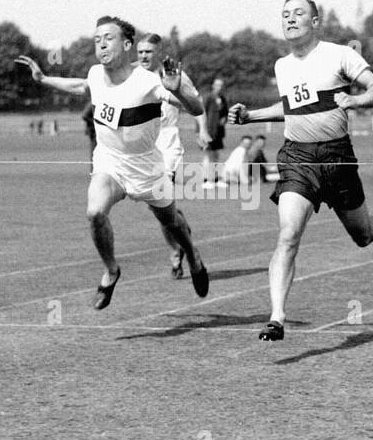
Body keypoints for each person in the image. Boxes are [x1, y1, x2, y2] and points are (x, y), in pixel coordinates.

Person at [227, 0, 373, 341]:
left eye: (298, 14)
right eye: (285, 14)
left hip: (337, 158)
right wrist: (251, 116)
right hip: (298, 158)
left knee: (362, 235)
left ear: (315, 21)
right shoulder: (282, 65)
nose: (290, 19)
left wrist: (356, 100)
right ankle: (276, 317)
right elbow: (292, 107)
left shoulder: (340, 54)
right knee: (288, 234)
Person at [15, 17, 209, 309]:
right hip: (110, 161)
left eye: (108, 37)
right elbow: (81, 85)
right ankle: (111, 270)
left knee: (171, 222)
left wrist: (178, 88)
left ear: (127, 44)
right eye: (96, 39)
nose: (101, 44)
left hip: (147, 167)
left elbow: (197, 108)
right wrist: (43, 79)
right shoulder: (95, 74)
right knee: (95, 212)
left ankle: (192, 254)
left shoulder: (148, 81)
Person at [135, 33, 209, 278]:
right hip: (144, 144)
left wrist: (203, 130)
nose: (143, 56)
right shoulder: (131, 75)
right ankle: (180, 232)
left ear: (159, 52)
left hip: (167, 142)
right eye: (140, 51)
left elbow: (196, 104)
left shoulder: (173, 73)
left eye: (148, 51)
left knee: (159, 197)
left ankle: (178, 252)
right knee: (158, 208)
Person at [202, 78, 228, 188]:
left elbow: (225, 112)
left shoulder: (222, 98)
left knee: (216, 155)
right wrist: (201, 131)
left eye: (221, 85)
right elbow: (202, 114)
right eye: (217, 85)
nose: (219, 87)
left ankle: (216, 178)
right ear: (213, 85)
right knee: (209, 155)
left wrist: (224, 119)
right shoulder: (208, 98)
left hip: (219, 132)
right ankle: (207, 179)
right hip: (209, 131)